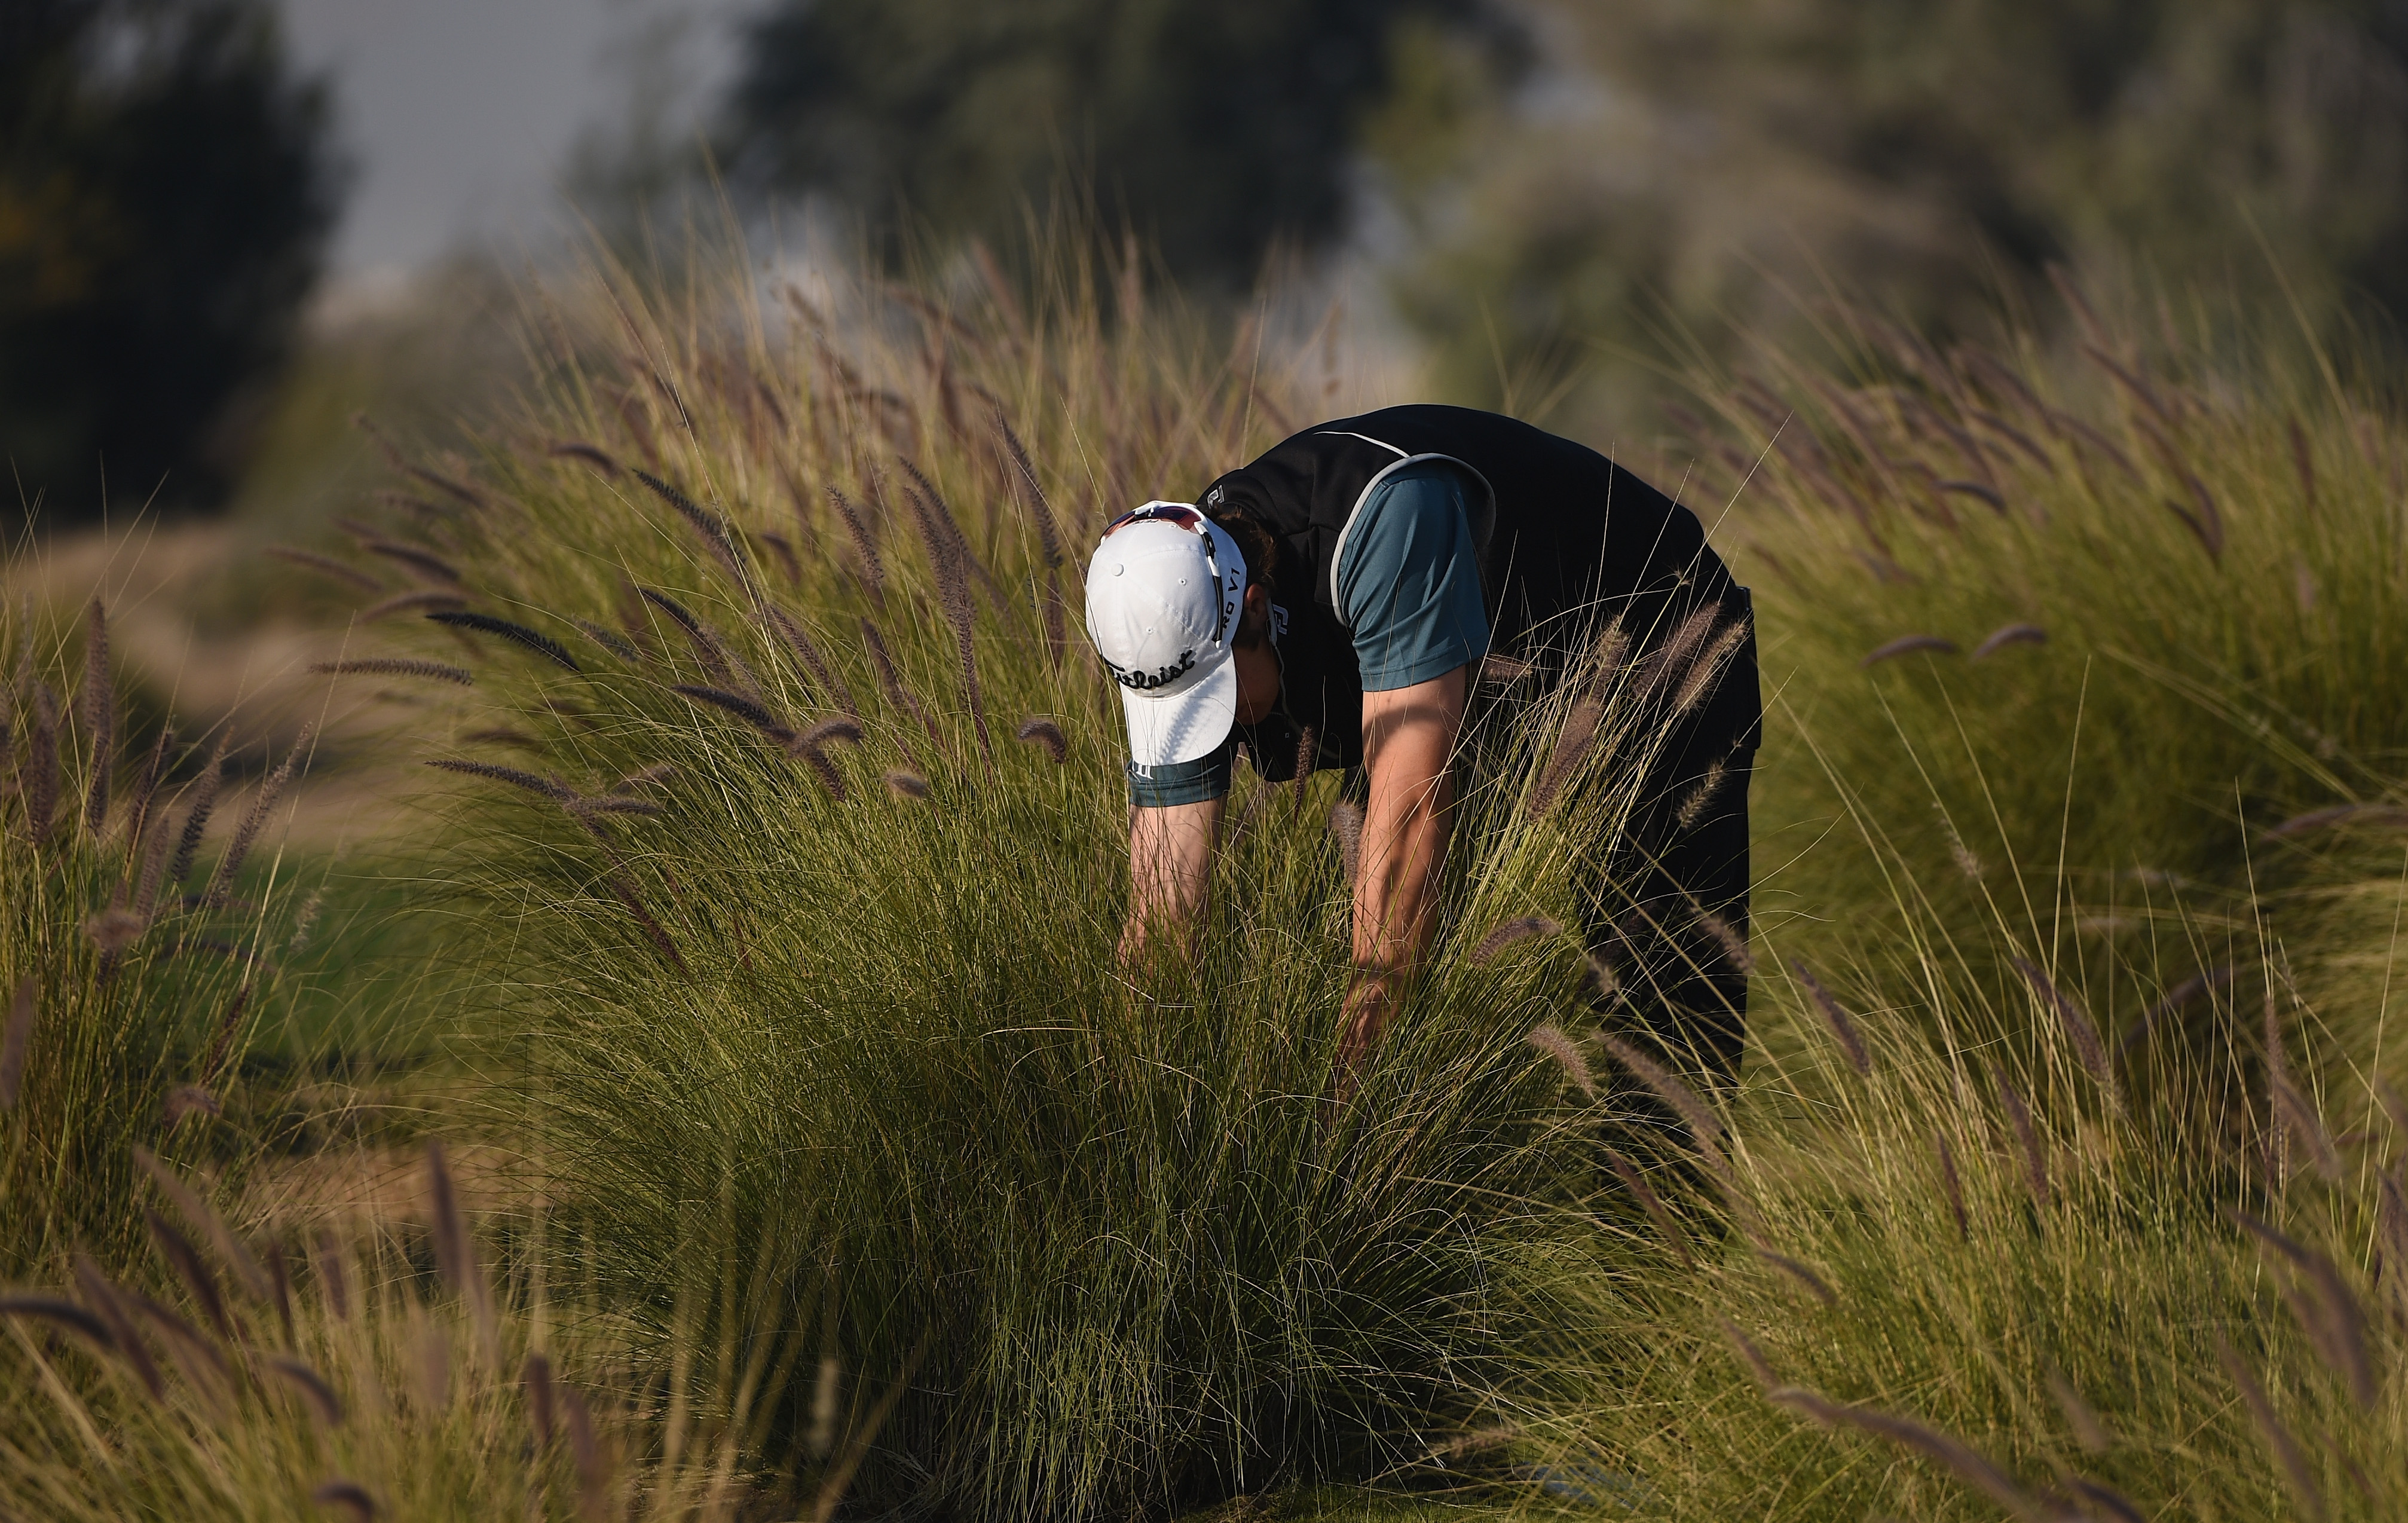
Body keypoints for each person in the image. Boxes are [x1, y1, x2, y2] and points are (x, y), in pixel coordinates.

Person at [1082, 404, 1759, 1083]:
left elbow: (1408, 821)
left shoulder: (1386, 525)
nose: (1216, 727)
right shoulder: (1162, 611)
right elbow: (1162, 910)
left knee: (1655, 1008)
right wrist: (1129, 1093)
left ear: (1254, 606)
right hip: (1485, 682)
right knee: (1331, 953)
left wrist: (1348, 1103)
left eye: (1216, 699)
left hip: (1663, 647)